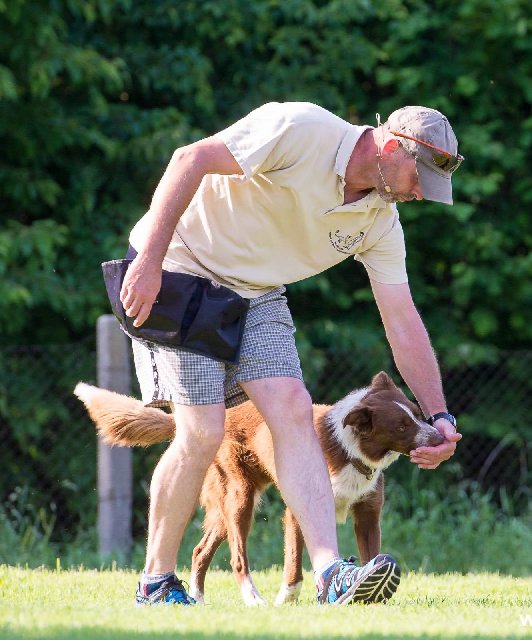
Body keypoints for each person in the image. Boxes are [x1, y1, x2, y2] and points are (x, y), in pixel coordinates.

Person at [119, 102, 464, 606]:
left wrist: (438, 414)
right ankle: (156, 581)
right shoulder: (302, 130)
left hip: (256, 292)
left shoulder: (380, 222)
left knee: (294, 409)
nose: (419, 194)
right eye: (418, 180)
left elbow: (402, 319)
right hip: (181, 267)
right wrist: (149, 260)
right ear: (390, 148)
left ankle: (330, 575)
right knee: (202, 430)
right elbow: (188, 159)